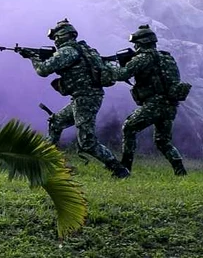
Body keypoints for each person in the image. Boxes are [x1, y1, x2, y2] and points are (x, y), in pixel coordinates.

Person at [20, 19, 130, 178]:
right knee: (56, 121)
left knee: (87, 142)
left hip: (85, 98)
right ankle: (45, 160)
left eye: (56, 37)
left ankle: (119, 170)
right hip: (84, 97)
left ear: (61, 36)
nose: (55, 40)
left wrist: (32, 57)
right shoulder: (85, 49)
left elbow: (43, 70)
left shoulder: (68, 51)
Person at [107, 25, 190, 176]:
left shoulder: (143, 58)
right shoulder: (167, 58)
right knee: (163, 141)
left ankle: (125, 168)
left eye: (136, 43)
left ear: (141, 43)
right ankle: (180, 170)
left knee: (129, 128)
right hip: (170, 105)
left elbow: (123, 74)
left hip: (154, 104)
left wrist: (107, 68)